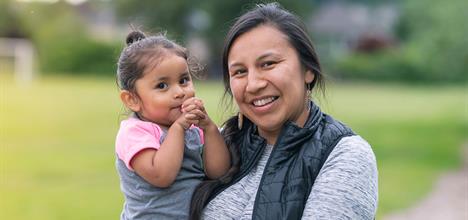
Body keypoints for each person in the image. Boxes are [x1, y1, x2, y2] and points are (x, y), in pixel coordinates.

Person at [190, 3, 378, 220]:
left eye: (268, 64)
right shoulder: (222, 142)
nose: (253, 84)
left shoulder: (345, 154)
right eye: (240, 71)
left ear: (307, 69)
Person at [114, 30, 231, 219]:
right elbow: (161, 176)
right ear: (132, 99)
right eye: (162, 86)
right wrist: (178, 129)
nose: (179, 92)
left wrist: (208, 128)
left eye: (184, 80)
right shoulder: (134, 133)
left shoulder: (194, 129)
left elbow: (219, 171)